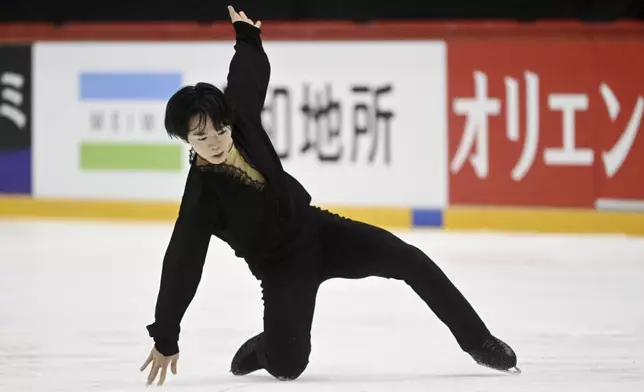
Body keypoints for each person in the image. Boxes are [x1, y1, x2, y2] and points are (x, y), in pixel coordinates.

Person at [140, 5, 520, 386]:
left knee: (411, 260)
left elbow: (248, 75)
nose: (215, 143)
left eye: (219, 131)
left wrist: (247, 38)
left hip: (319, 231)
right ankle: (264, 348)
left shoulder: (240, 120)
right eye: (201, 138)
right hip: (280, 267)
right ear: (186, 140)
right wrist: (167, 335)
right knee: (288, 367)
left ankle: (479, 341)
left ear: (227, 122)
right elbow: (182, 263)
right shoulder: (202, 198)